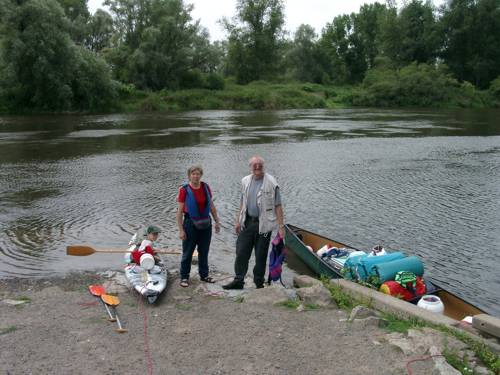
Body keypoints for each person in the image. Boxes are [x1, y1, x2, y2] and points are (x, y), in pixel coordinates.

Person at [223, 155, 285, 290]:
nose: (257, 167)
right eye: (254, 165)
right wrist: (237, 221)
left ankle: (259, 282)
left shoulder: (272, 182)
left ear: (263, 166)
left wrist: (281, 227)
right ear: (250, 167)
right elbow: (242, 202)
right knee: (241, 251)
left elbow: (278, 205)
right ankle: (239, 280)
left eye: (260, 165)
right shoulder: (245, 181)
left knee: (260, 255)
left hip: (263, 225)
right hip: (247, 222)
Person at [177, 165, 221, 287]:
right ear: (189, 175)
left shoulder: (206, 187)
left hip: (206, 224)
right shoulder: (184, 190)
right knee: (188, 251)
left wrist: (217, 221)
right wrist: (181, 230)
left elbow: (211, 206)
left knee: (204, 251)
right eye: (193, 174)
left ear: (201, 175)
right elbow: (179, 212)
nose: (195, 176)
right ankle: (184, 277)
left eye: (198, 174)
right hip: (190, 224)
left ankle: (204, 275)